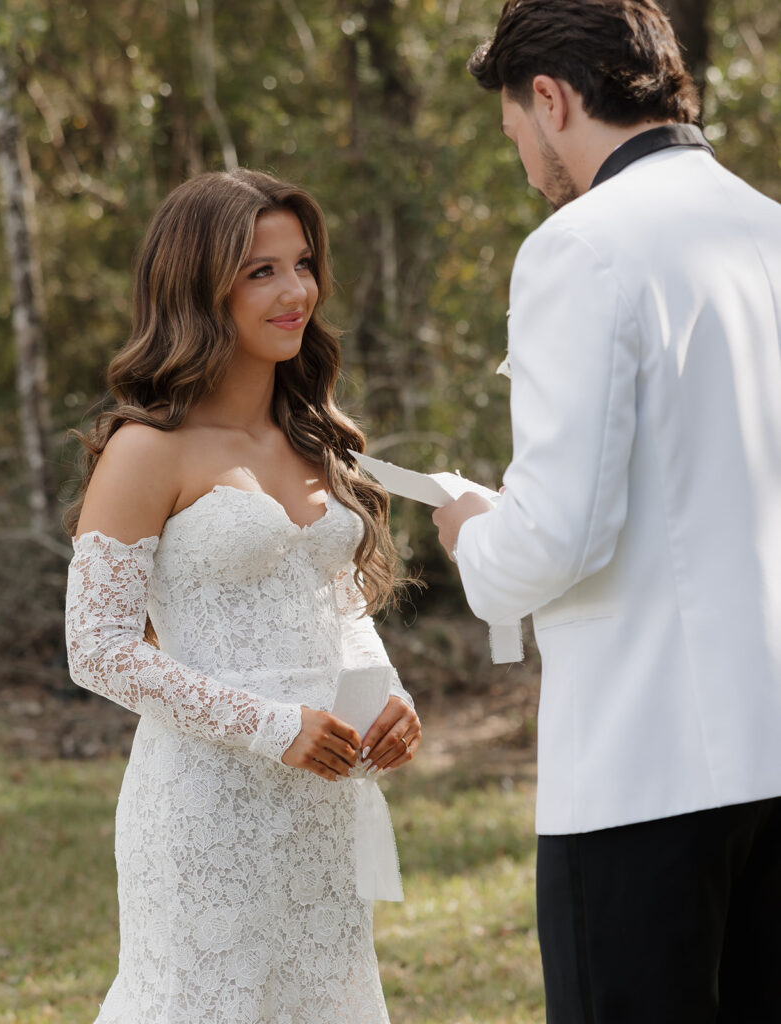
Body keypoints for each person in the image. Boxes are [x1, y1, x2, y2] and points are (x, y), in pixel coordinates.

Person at [431, 1, 781, 1021]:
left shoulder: (577, 248)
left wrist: (473, 535)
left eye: (515, 136)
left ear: (551, 98)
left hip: (644, 762)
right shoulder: (771, 227)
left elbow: (557, 532)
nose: (526, 165)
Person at [64, 168, 421, 1024]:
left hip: (323, 802)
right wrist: (269, 726)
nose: (295, 290)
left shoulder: (312, 439)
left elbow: (339, 607)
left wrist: (389, 695)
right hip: (202, 809)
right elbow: (98, 649)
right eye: (261, 270)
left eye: (301, 263)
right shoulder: (147, 449)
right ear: (197, 284)